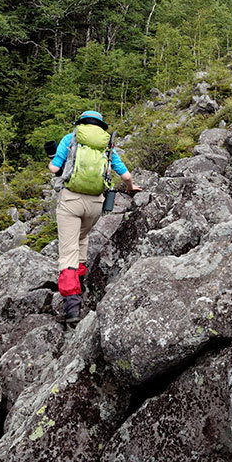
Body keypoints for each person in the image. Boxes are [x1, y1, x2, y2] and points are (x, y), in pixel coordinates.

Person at [48, 110, 140, 324]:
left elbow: (54, 169)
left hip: (71, 201)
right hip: (96, 203)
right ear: (101, 126)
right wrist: (130, 187)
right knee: (82, 238)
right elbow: (125, 175)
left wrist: (54, 160)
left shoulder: (70, 138)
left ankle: (72, 304)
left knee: (67, 251)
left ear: (81, 123)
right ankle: (79, 282)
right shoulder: (106, 145)